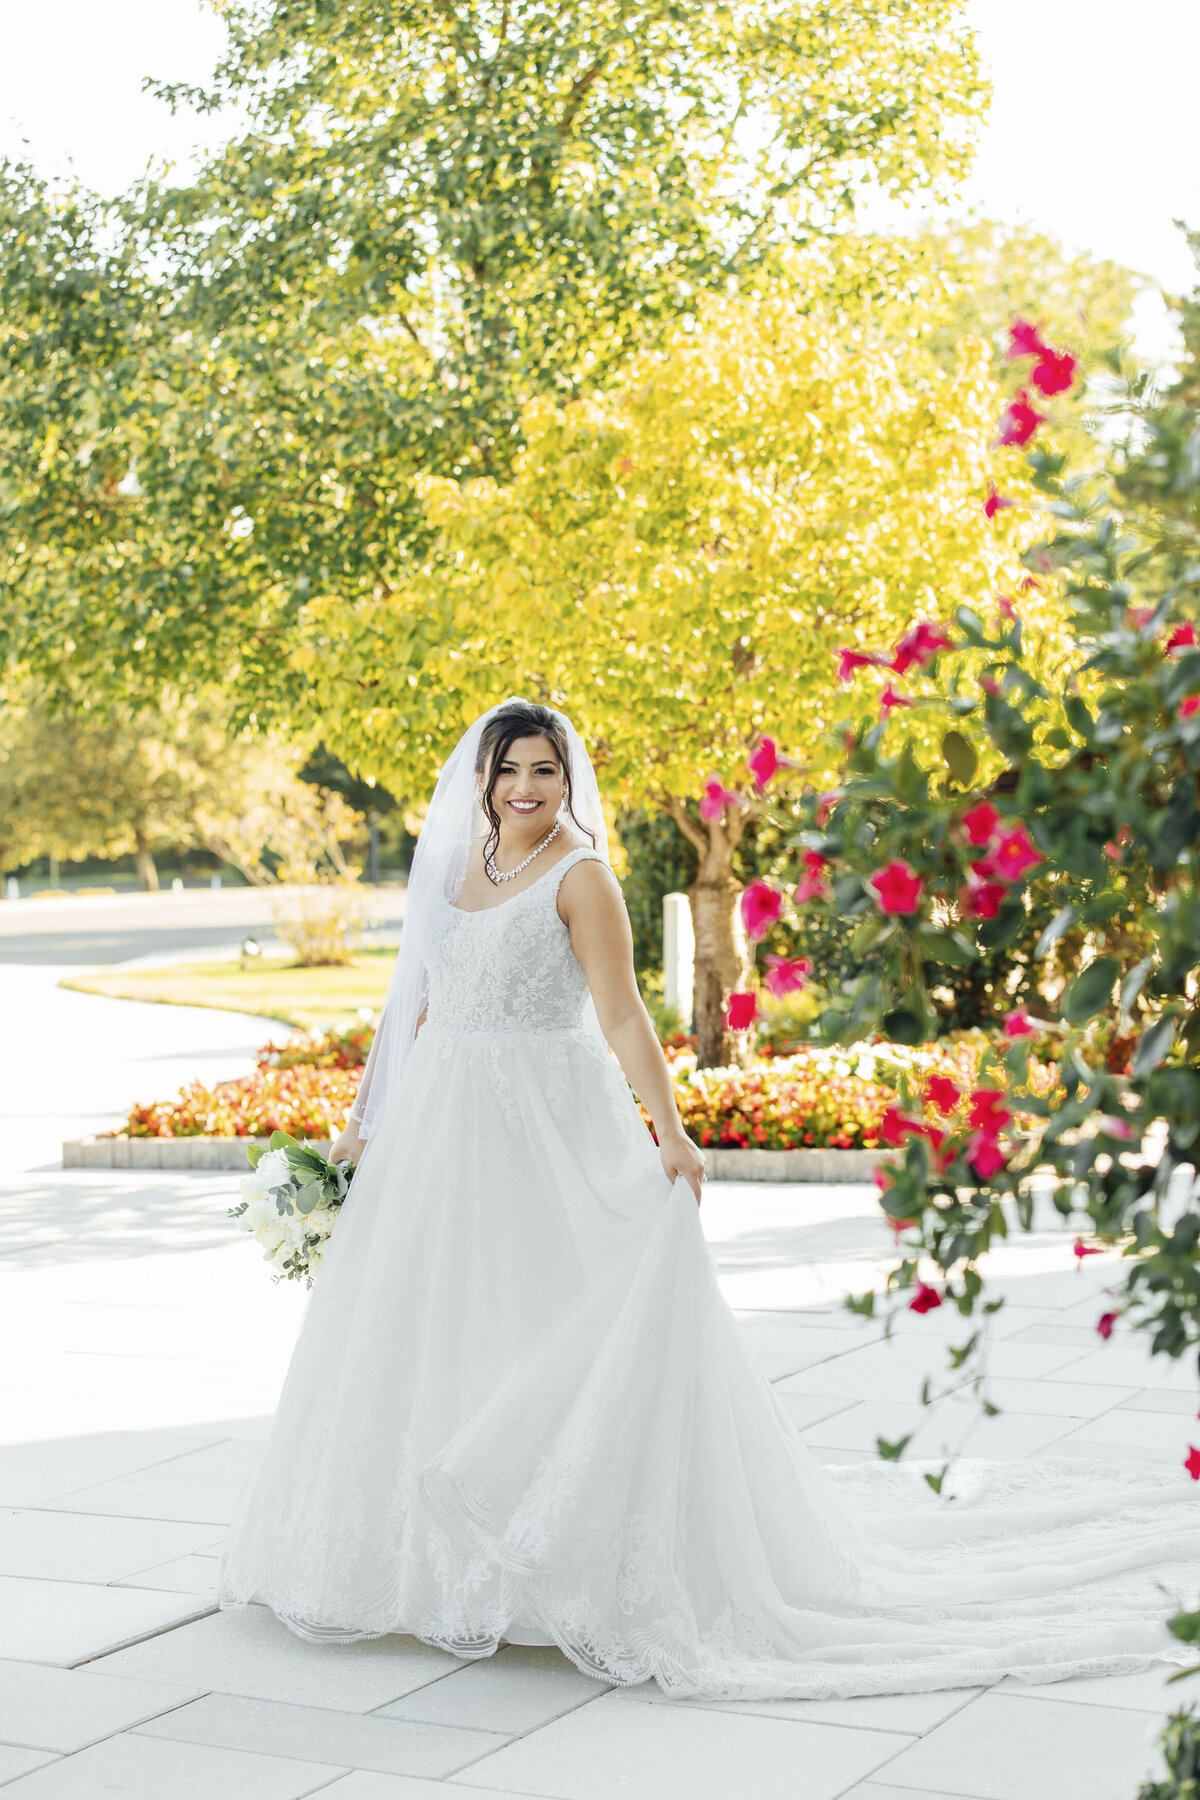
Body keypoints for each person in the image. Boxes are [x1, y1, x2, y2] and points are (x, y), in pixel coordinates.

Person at [219, 697, 1198, 1700]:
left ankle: (554, 1557)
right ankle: (421, 1569)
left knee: (551, 1315)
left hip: (544, 1127)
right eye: (510, 771)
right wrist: (366, 1127)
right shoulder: (456, 867)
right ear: (481, 779)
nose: (525, 789)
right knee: (433, 1326)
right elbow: (416, 1006)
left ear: (568, 780)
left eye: (544, 773)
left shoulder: (582, 875)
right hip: (443, 1129)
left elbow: (621, 1014)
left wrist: (672, 1131)